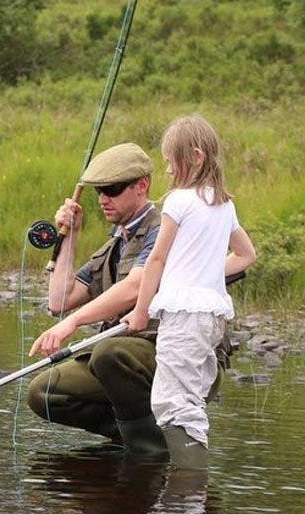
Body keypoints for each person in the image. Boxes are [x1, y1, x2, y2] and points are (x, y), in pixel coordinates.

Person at [122, 115, 256, 469]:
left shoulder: (179, 202)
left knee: (171, 402)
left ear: (195, 157)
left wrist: (140, 310)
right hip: (211, 318)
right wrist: (205, 273)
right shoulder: (224, 205)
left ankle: (189, 486)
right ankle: (190, 489)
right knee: (189, 399)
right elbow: (246, 256)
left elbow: (156, 260)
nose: (167, 170)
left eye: (170, 161)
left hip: (185, 318)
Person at [26, 142, 170, 457]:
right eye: (99, 191)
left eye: (113, 189)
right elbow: (59, 301)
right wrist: (71, 234)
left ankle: (151, 450)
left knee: (109, 352)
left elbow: (136, 286)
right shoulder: (114, 244)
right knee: (43, 393)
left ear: (141, 186)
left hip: (165, 351)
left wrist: (72, 323)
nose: (104, 198)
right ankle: (134, 434)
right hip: (121, 358)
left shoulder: (162, 229)